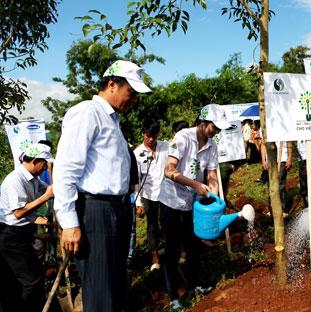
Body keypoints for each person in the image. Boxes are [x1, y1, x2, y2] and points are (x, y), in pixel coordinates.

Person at [53, 60, 151, 311]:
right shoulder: (87, 113)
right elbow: (66, 169)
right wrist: (70, 222)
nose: (134, 100)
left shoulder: (113, 121)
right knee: (101, 292)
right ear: (112, 84)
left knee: (116, 285)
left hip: (116, 210)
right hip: (96, 211)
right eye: (131, 92)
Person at [158, 104, 231, 310]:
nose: (216, 131)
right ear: (202, 122)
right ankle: (173, 296)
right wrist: (195, 185)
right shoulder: (183, 138)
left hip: (192, 204)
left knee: (193, 247)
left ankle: (194, 284)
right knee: (172, 250)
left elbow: (212, 175)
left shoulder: (212, 146)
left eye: (219, 128)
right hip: (171, 201)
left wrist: (214, 198)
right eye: (214, 127)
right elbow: (169, 170)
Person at [0, 143, 54, 312]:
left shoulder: (33, 180)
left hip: (20, 235)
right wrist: (45, 197)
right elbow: (18, 213)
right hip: (10, 237)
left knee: (25, 278)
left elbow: (52, 190)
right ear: (35, 161)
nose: (45, 168)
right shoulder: (16, 180)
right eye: (44, 164)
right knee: (32, 280)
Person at [134, 118, 169, 271]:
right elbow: (136, 181)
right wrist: (138, 203)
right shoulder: (137, 154)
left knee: (169, 222)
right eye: (148, 136)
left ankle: (172, 251)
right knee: (152, 225)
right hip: (148, 195)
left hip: (166, 193)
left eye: (154, 136)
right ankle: (155, 256)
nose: (151, 139)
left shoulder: (165, 147)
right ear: (143, 134)